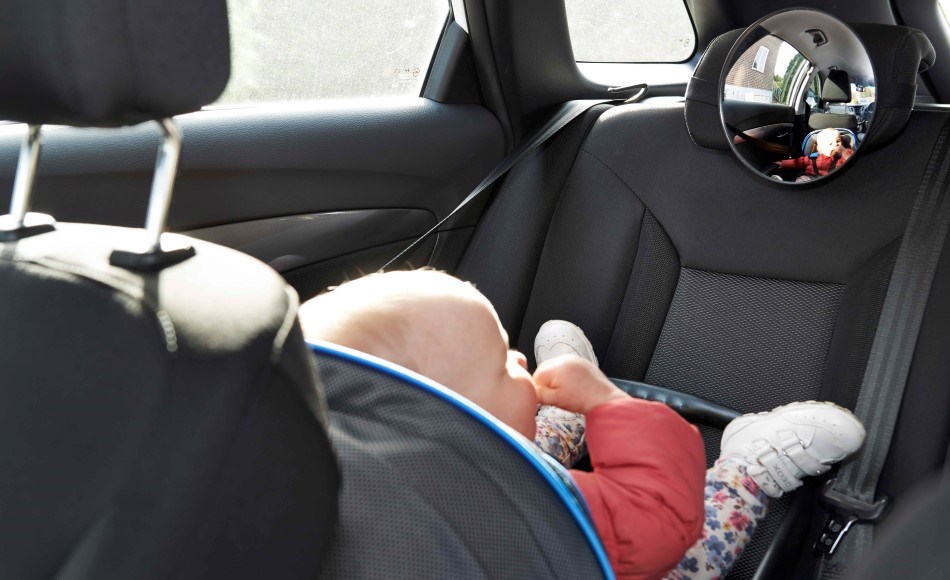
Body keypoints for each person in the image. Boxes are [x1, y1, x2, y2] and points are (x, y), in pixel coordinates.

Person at [299, 270, 865, 580]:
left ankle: (561, 418)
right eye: (502, 361)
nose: (519, 360)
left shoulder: (296, 488)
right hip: (599, 552)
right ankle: (747, 470)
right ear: (456, 427)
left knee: (523, 434)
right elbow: (662, 516)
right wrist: (608, 404)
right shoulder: (540, 505)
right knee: (691, 548)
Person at [774, 127, 854, 181]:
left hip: (833, 180)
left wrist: (844, 152)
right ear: (820, 149)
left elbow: (853, 161)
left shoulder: (844, 155)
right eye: (830, 144)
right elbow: (797, 162)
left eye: (838, 141)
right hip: (812, 179)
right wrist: (783, 163)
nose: (835, 145)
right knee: (802, 180)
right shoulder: (813, 158)